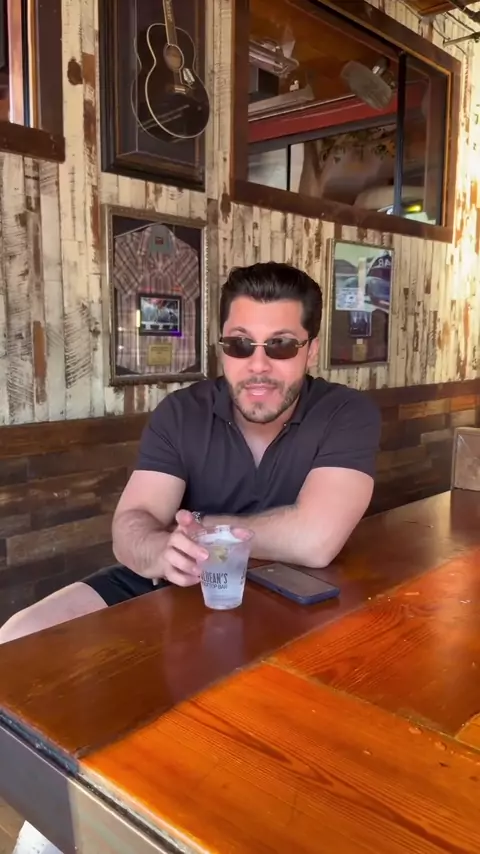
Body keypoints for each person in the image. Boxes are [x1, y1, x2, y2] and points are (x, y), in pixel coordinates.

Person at [2, 261, 380, 854]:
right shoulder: (181, 412)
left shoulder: (346, 413)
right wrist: (158, 547)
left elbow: (315, 539)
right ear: (221, 347)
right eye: (240, 344)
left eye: (281, 345)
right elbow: (131, 524)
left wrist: (199, 526)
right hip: (172, 578)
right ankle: (59, 802)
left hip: (283, 596)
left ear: (310, 349)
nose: (258, 365)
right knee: (16, 639)